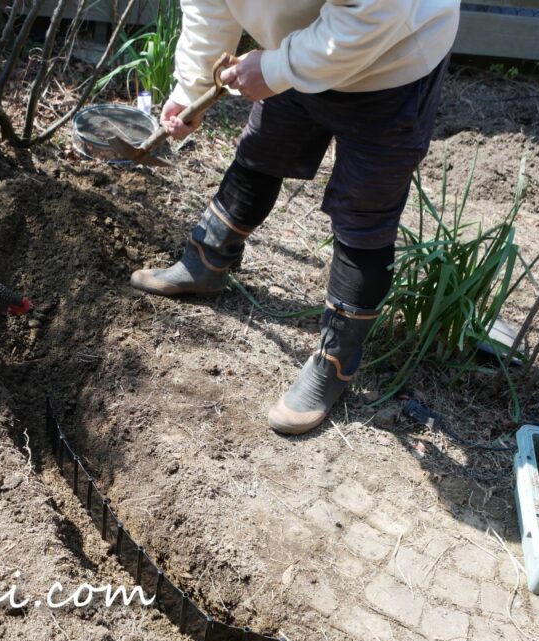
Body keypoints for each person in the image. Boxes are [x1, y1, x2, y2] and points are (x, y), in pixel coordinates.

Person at [129, 0, 460, 435]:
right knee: (263, 152)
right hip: (300, 47)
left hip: (389, 64)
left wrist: (278, 67)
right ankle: (205, 264)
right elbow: (210, 5)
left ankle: (334, 364)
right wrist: (191, 89)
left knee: (363, 211)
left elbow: (373, 13)